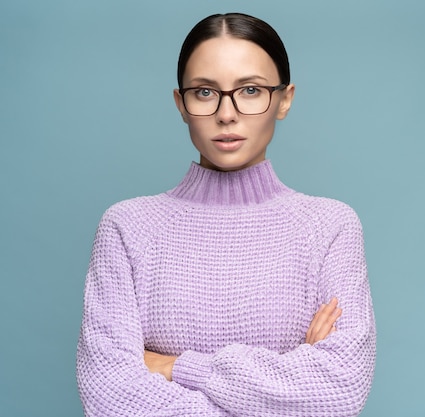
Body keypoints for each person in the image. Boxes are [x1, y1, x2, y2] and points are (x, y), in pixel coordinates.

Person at [76, 12, 376, 417]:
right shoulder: (127, 228)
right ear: (181, 104)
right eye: (204, 92)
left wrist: (174, 366)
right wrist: (284, 385)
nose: (227, 113)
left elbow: (338, 390)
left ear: (284, 100)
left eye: (250, 90)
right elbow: (109, 397)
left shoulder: (329, 228)